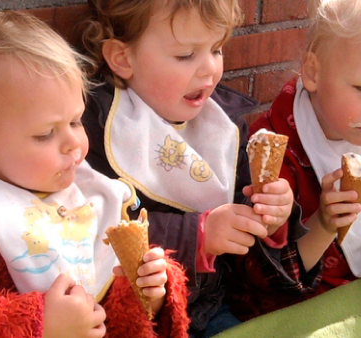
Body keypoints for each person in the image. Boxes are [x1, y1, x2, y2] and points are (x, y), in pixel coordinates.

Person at [0, 11, 190, 337]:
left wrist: (146, 292)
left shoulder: (83, 196)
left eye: (75, 121)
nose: (73, 141)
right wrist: (39, 324)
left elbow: (114, 315)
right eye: (46, 133)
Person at [79, 0, 296, 335]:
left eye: (217, 49)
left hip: (209, 308)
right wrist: (198, 235)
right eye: (185, 55)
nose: (209, 69)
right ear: (122, 58)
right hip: (131, 319)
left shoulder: (221, 122)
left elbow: (242, 207)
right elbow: (94, 227)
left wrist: (273, 213)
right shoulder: (95, 126)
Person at [225, 0, 361, 321]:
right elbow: (263, 279)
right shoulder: (272, 149)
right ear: (312, 73)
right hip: (288, 310)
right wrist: (324, 224)